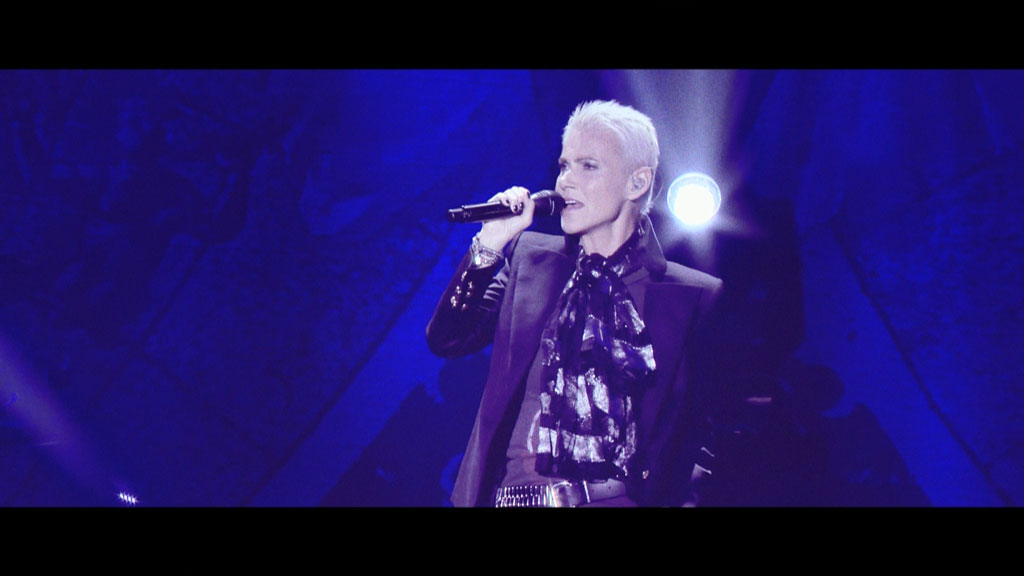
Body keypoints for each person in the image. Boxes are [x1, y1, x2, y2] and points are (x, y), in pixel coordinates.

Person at [426, 100, 723, 507]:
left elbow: (700, 435)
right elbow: (447, 338)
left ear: (637, 182)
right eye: (564, 165)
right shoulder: (533, 260)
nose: (566, 181)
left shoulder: (690, 295)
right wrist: (490, 244)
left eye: (588, 166)